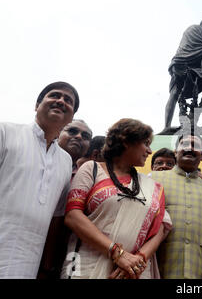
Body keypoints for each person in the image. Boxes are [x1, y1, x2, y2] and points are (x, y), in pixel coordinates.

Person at [61, 118, 172, 279]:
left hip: (132, 271)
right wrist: (117, 252)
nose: (149, 151)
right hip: (86, 264)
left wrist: (138, 260)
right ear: (127, 141)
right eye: (146, 143)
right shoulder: (91, 169)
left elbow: (162, 227)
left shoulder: (152, 186)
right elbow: (73, 216)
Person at [0, 81, 78, 278]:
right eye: (55, 95)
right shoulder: (6, 132)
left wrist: (47, 264)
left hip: (27, 262)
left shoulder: (65, 161)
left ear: (71, 118)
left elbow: (57, 216)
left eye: (68, 100)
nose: (61, 101)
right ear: (37, 105)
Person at [151, 134, 202, 278]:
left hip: (199, 269)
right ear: (175, 151)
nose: (189, 148)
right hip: (159, 269)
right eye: (184, 144)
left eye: (196, 146)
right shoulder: (154, 179)